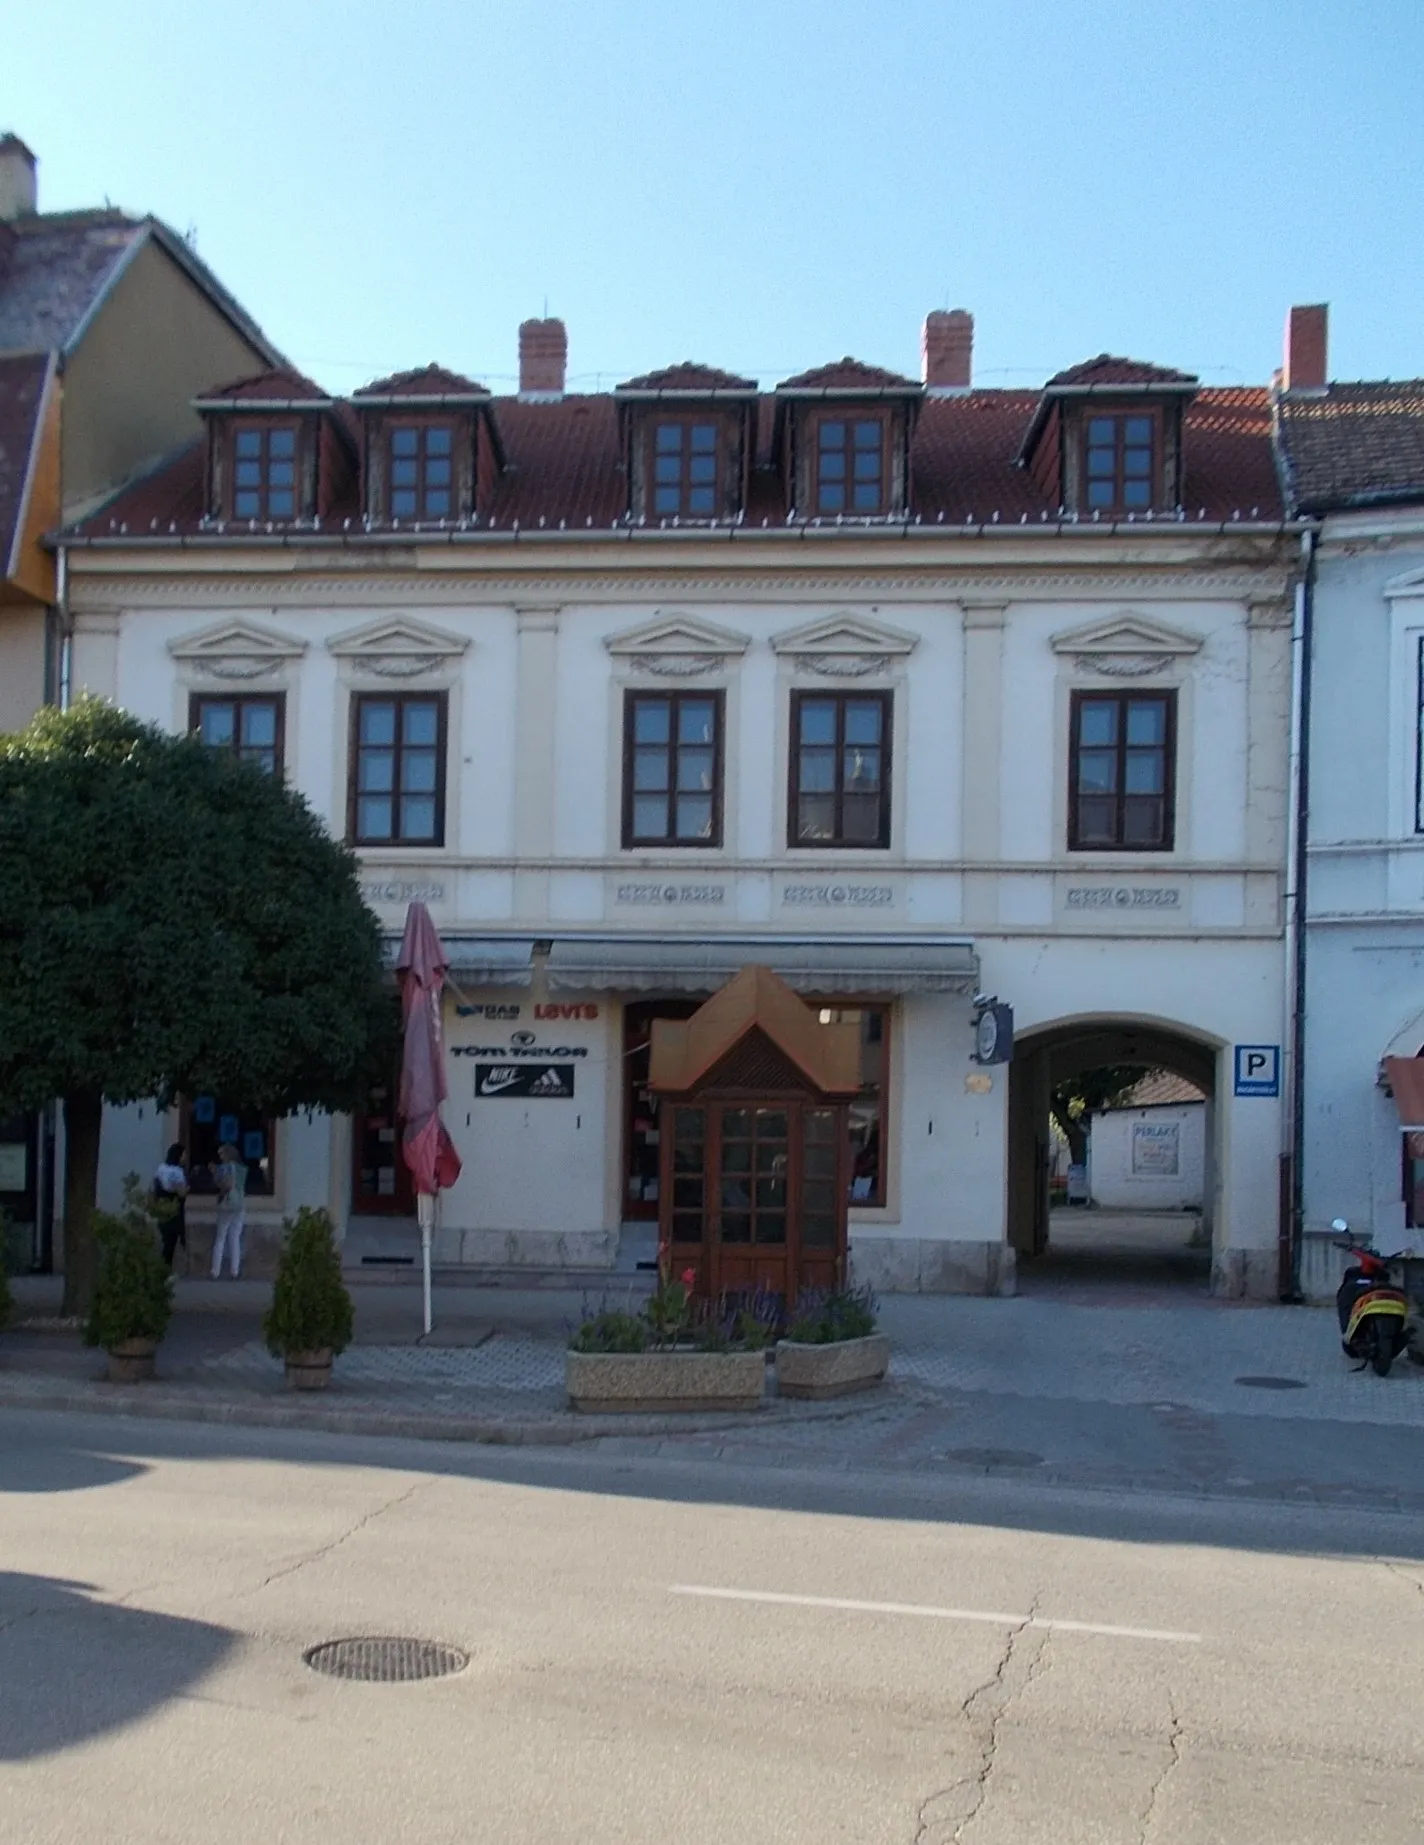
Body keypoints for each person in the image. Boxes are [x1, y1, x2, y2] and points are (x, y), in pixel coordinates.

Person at [211, 1141, 247, 1280]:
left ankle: (215, 1271)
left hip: (227, 1204)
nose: (220, 1157)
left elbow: (225, 1184)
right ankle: (235, 1271)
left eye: (221, 1153)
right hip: (240, 1204)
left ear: (227, 1154)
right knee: (235, 1237)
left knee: (220, 1237)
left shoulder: (224, 1168)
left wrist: (215, 1173)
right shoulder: (242, 1169)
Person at [151, 1143, 188, 1269]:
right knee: (170, 1243)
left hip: (161, 1208)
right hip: (173, 1210)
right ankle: (164, 1270)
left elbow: (156, 1184)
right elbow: (181, 1192)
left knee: (166, 1240)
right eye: (184, 1154)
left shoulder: (161, 1168)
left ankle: (163, 1269)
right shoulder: (177, 1172)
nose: (185, 1157)